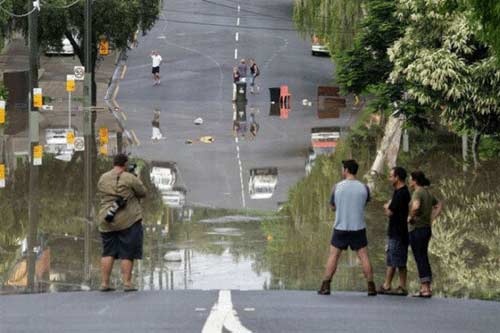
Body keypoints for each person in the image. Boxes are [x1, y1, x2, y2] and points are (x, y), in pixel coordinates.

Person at [318, 159, 377, 296]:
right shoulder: (364, 188)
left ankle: (326, 285)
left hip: (341, 227)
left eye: (342, 168)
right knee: (364, 256)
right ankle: (371, 286)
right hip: (358, 228)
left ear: (346, 170)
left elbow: (332, 206)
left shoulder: (337, 187)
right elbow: (365, 202)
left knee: (334, 256)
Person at [97, 154, 147, 292]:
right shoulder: (129, 178)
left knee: (108, 251)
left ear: (114, 163)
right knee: (127, 252)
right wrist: (136, 178)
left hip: (106, 218)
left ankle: (104, 283)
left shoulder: (103, 177)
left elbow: (101, 192)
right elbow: (142, 192)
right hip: (128, 220)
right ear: (125, 164)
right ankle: (127, 283)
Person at [408, 171, 442, 298]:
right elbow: (439, 205)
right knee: (423, 257)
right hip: (426, 229)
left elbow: (416, 206)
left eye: (410, 179)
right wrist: (432, 218)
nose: (409, 181)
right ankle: (426, 288)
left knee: (420, 257)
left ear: (415, 180)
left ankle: (425, 289)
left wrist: (410, 217)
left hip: (417, 229)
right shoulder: (427, 192)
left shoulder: (418, 192)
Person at [378, 167, 411, 296]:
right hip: (398, 231)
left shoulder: (401, 193)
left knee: (395, 259)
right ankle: (395, 286)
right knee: (396, 259)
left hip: (398, 232)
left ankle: (394, 286)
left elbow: (389, 211)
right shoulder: (400, 192)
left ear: (397, 178)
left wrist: (386, 206)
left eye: (391, 176)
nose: (389, 178)